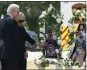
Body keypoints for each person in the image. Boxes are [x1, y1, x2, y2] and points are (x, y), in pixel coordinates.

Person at [1, 4, 20, 70]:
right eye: (18, 12)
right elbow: (17, 38)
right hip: (11, 54)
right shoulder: (12, 21)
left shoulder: (1, 21)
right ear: (13, 11)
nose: (18, 14)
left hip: (2, 53)